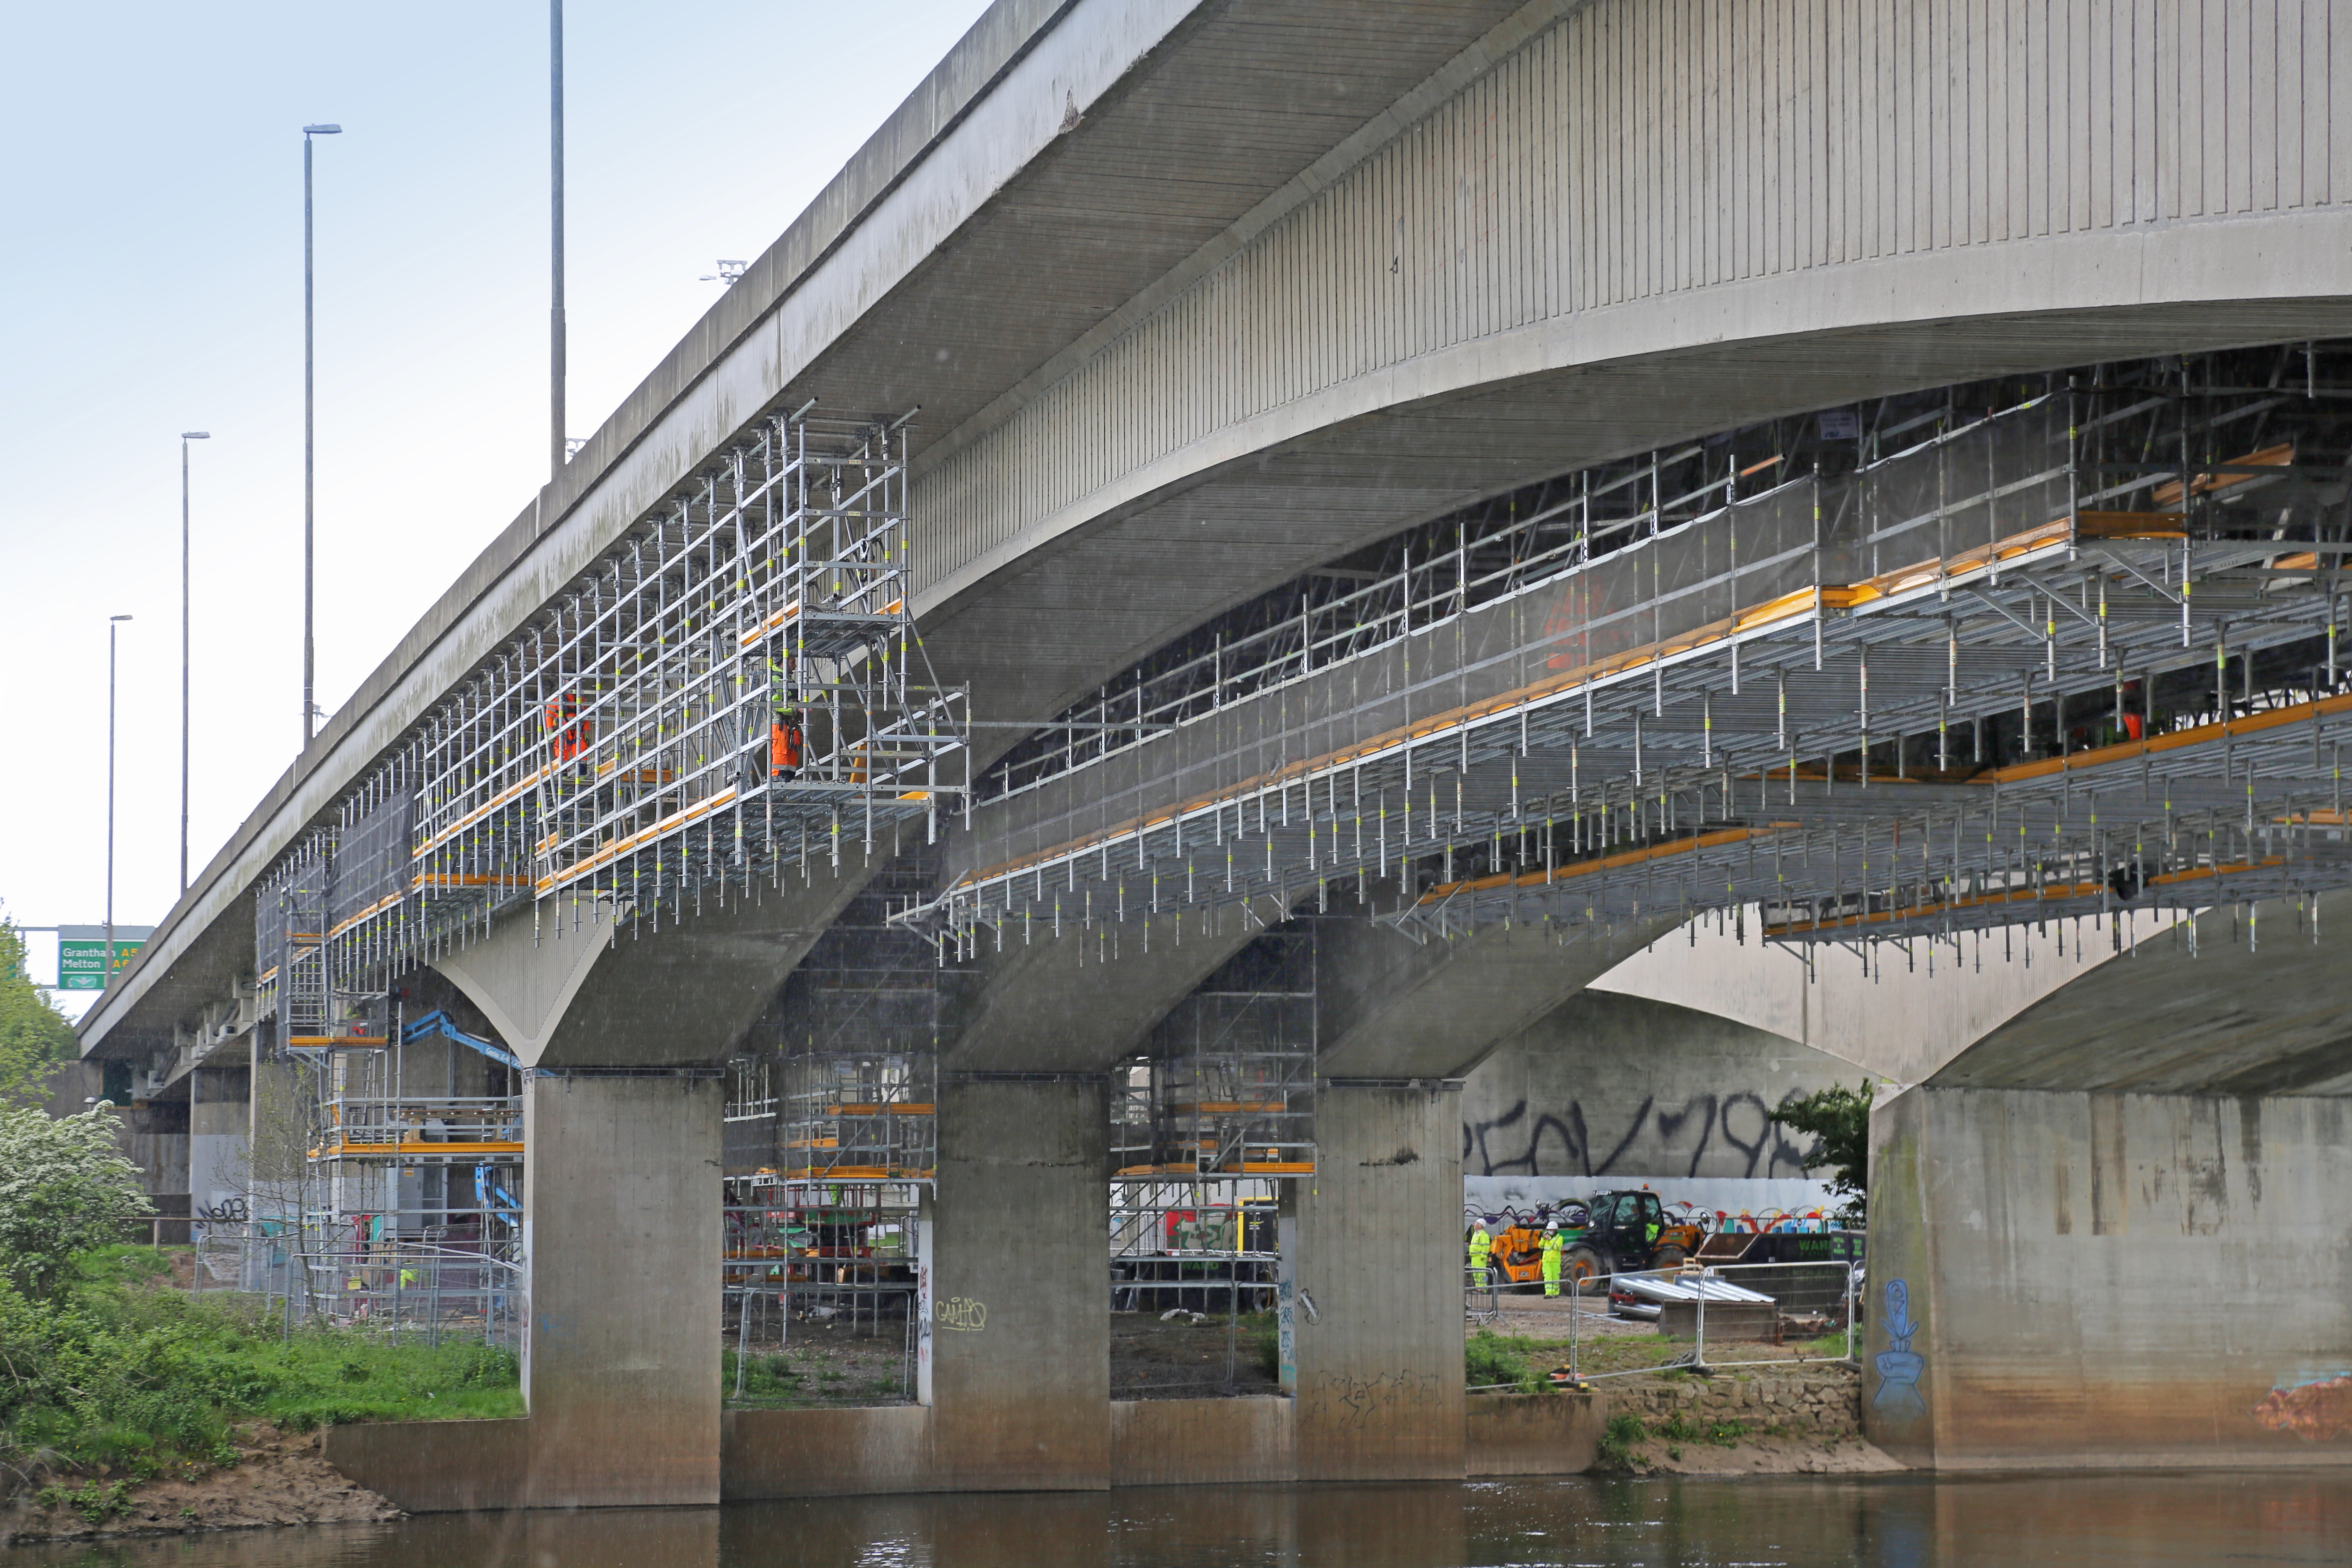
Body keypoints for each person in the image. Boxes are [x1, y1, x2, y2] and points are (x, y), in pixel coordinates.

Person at [1539, 1219, 1566, 1298]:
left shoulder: (1559, 1238)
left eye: (1551, 1230)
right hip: (1546, 1261)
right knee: (1548, 1277)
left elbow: (1556, 1247)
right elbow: (1540, 1246)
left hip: (1555, 1261)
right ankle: (1549, 1294)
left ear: (1555, 1230)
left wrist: (1549, 1240)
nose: (1549, 1232)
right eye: (1548, 1230)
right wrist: (1544, 1239)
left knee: (1555, 1277)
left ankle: (1556, 1293)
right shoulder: (1546, 1238)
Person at [1466, 1219, 1492, 1290]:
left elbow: (1486, 1247)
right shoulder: (1475, 1234)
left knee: (1482, 1274)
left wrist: (1483, 1256)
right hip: (1474, 1258)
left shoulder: (1484, 1235)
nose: (1474, 1225)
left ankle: (1484, 1289)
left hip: (1480, 1258)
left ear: (1480, 1226)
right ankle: (1478, 1288)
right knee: (1476, 1274)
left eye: (1476, 1224)